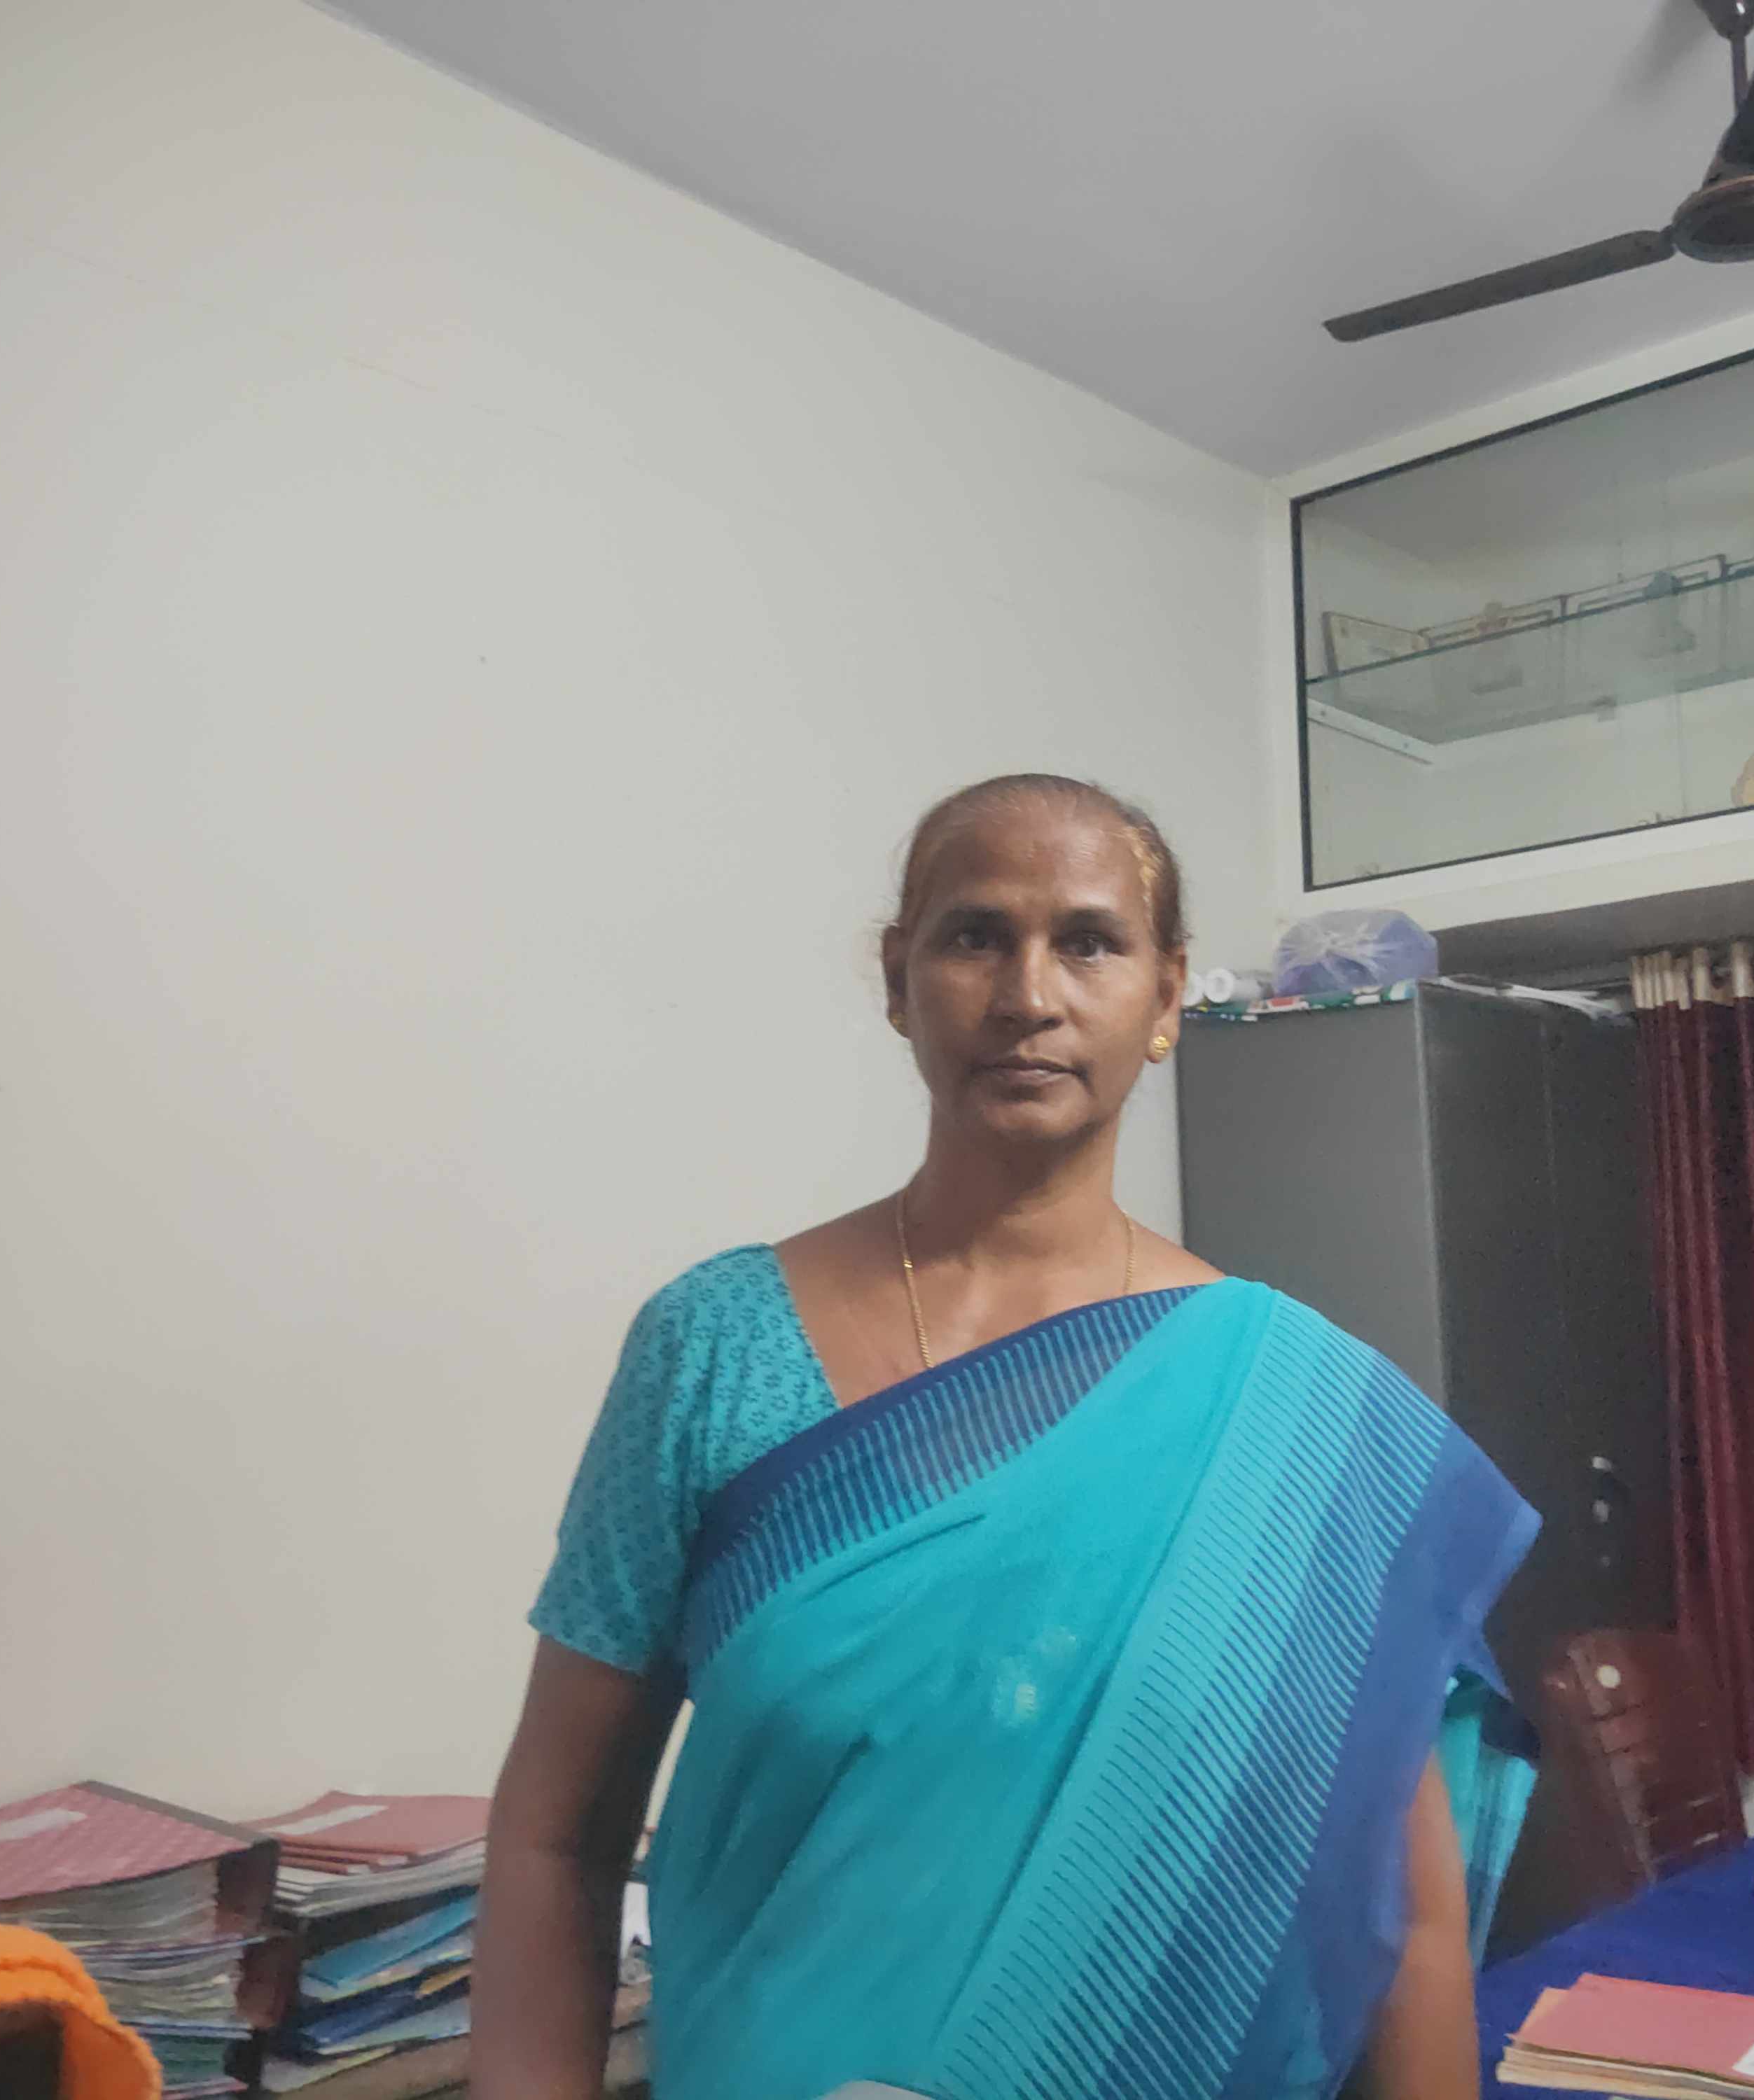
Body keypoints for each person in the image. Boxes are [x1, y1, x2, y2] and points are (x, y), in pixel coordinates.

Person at [471, 775, 1537, 2100]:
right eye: (976, 935)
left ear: (1166, 997)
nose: (1030, 994)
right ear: (897, 978)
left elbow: (1406, 1913)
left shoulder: (1299, 1419)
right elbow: (555, 1839)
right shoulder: (717, 1348)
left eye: (1090, 942)